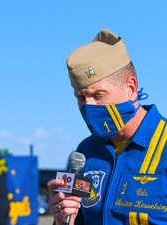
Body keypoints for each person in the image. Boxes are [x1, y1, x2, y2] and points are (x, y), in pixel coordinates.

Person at [48, 28, 167, 224]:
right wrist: (62, 220)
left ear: (131, 88)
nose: (88, 106)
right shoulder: (85, 152)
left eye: (98, 95)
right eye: (81, 97)